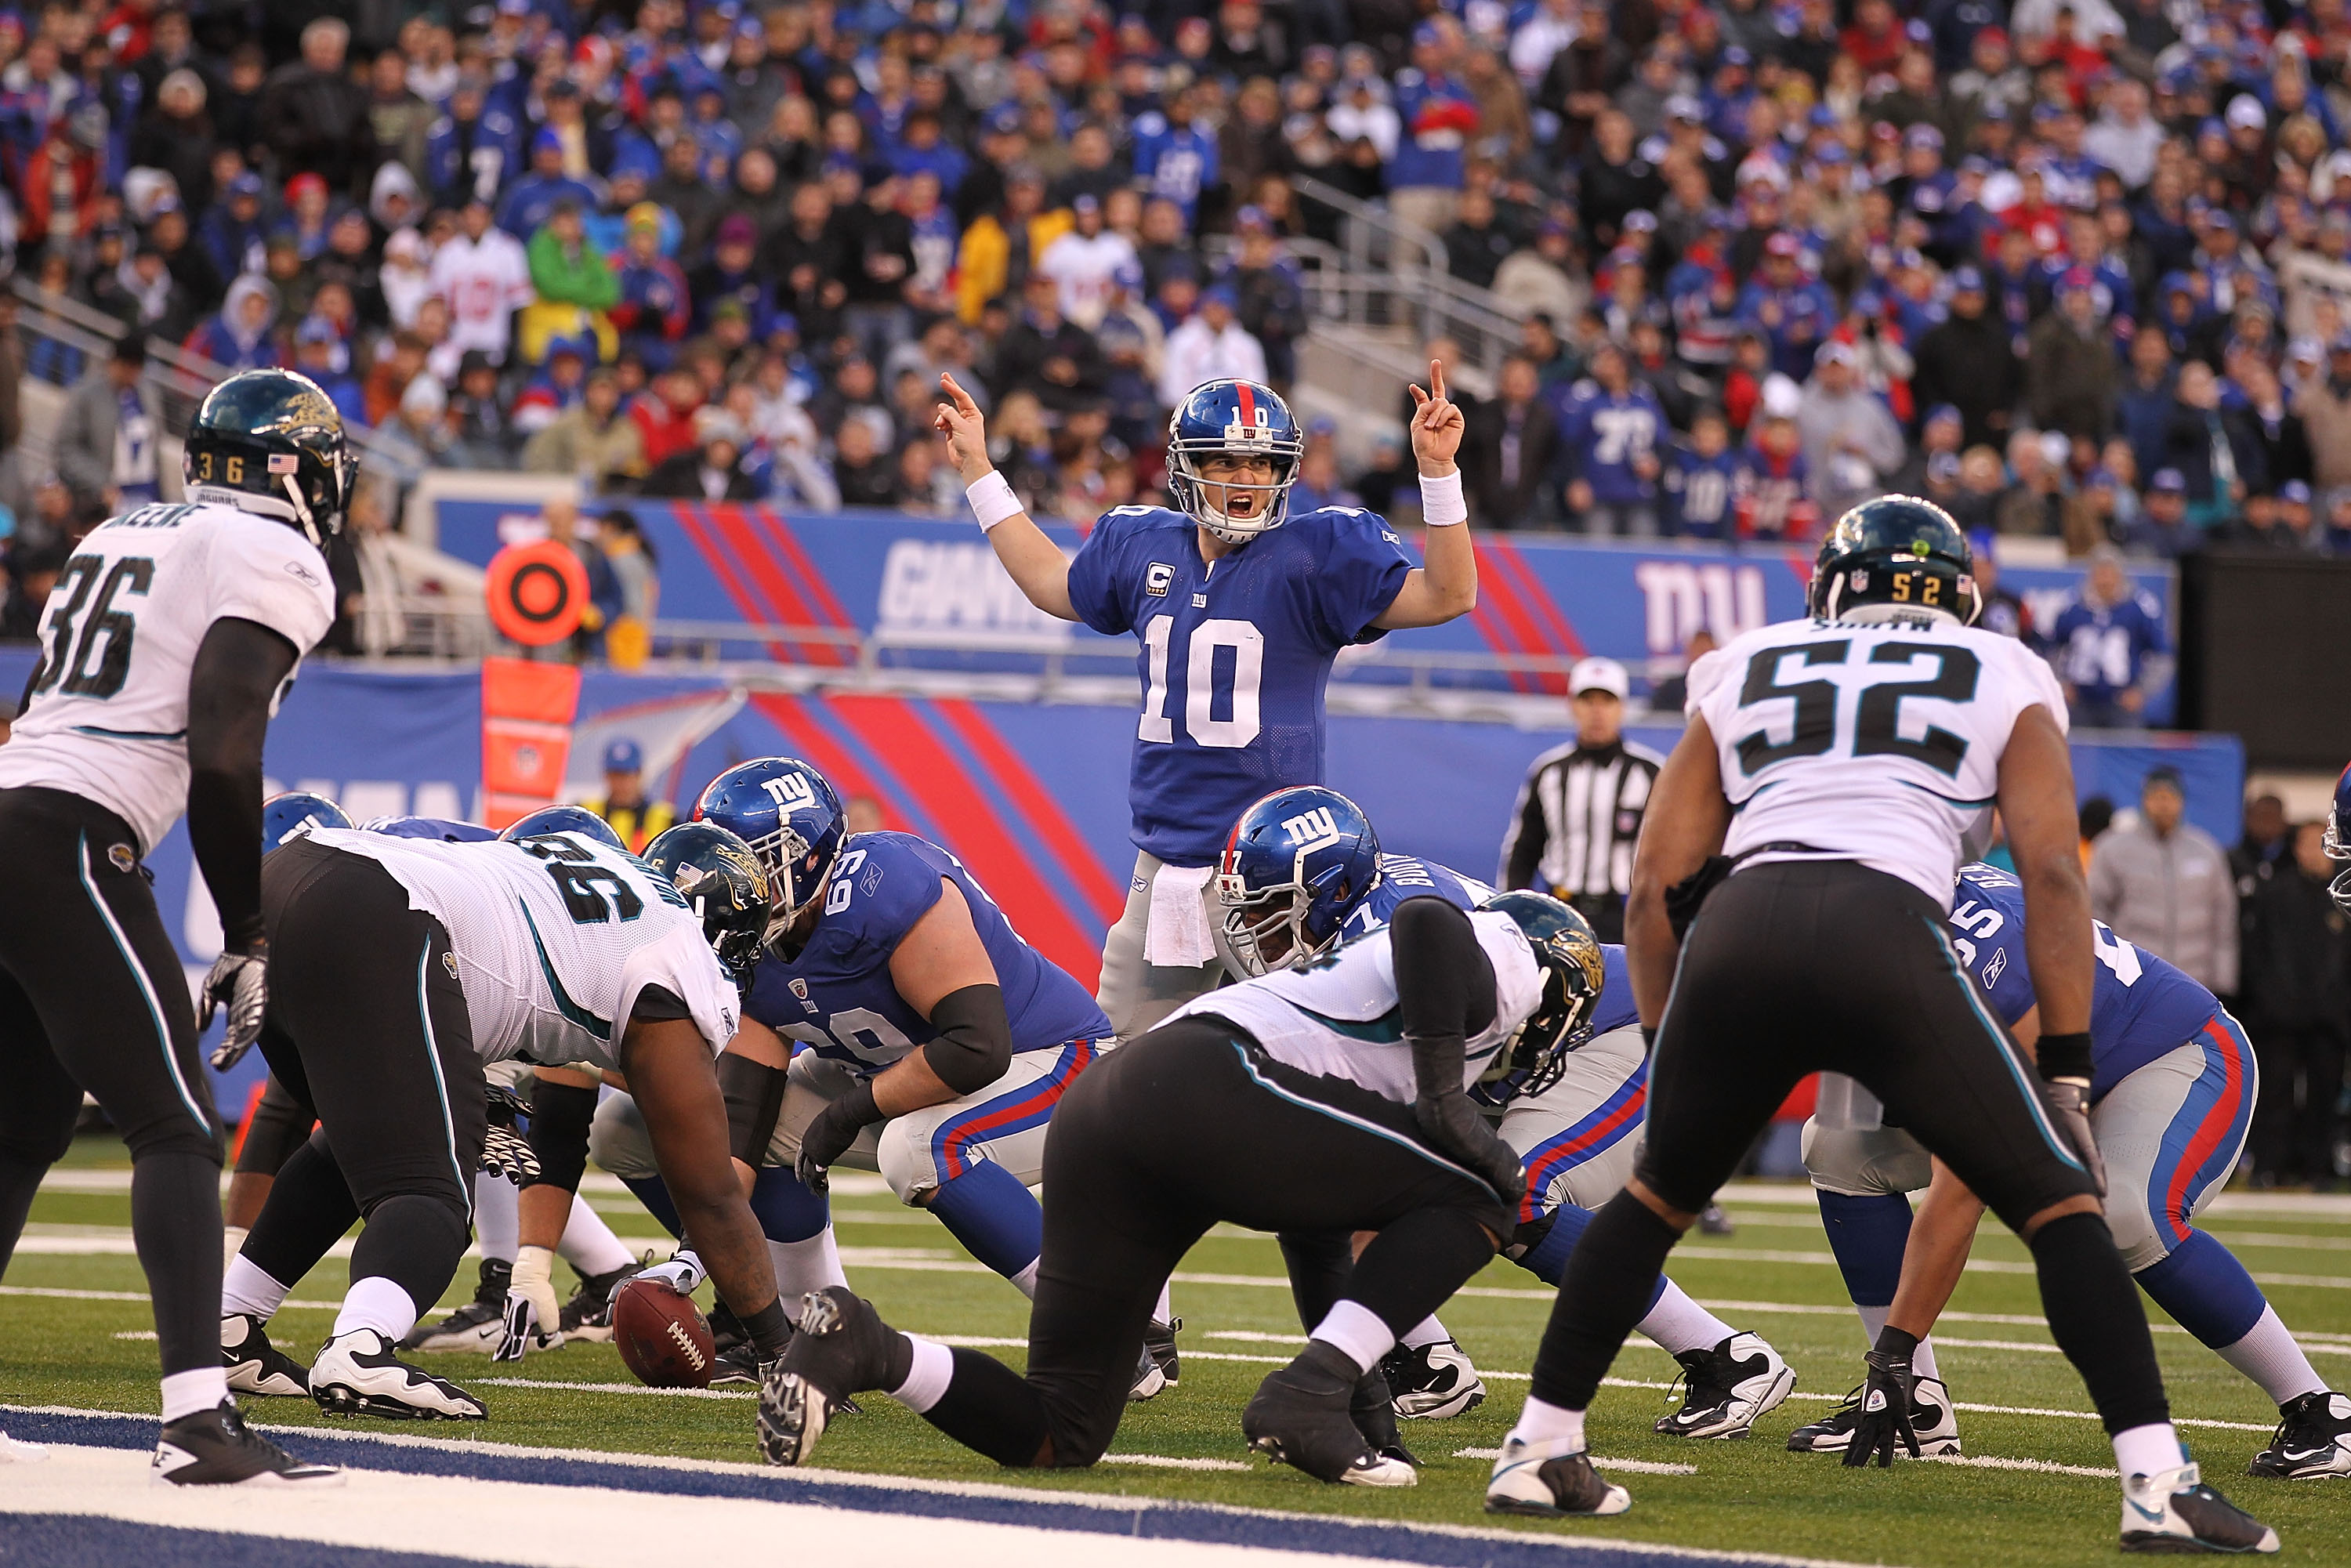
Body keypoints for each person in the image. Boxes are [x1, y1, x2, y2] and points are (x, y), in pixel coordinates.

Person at [1484, 496, 2277, 1554]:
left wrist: (1676, 1045)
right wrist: (2068, 1068)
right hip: (1888, 930)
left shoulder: (1751, 661)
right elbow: (2051, 870)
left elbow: (1655, 880)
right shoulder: (2002, 667)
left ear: (1828, 587)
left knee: (1653, 1198)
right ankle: (2155, 1484)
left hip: (1747, 929)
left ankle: (1540, 1447)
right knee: (2059, 1203)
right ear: (1958, 595)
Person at [756, 887, 1608, 1490]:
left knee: (1061, 1430)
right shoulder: (1508, 958)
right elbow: (1427, 921)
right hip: (1208, 1077)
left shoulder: (1365, 1044)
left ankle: (870, 1349)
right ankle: (1308, 1395)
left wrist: (1365, 1416)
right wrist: (1448, 1104)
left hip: (1115, 1107)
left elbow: (1318, 1237)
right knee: (1489, 1187)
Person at [0, 368, 347, 1485]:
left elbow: (38, 706)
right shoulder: (275, 554)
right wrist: (247, 931)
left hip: (16, 807)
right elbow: (225, 747)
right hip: (68, 836)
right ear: (289, 470)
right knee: (179, 1126)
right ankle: (198, 1419)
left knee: (20, 1128)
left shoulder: (122, 531)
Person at [1218, 786, 1791, 1436]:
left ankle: (1727, 1356)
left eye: (1270, 908)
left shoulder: (1390, 934)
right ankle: (1424, 1363)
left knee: (1512, 1192)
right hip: (1525, 1058)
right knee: (1347, 1180)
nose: (1256, 929)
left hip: (1630, 1033)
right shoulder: (1366, 913)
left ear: (1335, 891)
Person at [940, 368, 1478, 1039]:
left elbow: (1449, 594)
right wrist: (979, 469)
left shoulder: (1315, 553)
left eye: (1262, 463)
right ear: (1185, 467)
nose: (1246, 478)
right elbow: (1051, 581)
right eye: (1225, 460)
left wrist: (1438, 472)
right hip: (1168, 866)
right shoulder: (1141, 544)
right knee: (1126, 1062)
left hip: (1285, 872)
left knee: (1308, 1056)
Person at [1795, 861, 2351, 1479]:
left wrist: (1891, 1350)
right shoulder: (1872, 937)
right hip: (2064, 1081)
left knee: (2128, 1213)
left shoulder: (1989, 968)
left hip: (2171, 1054)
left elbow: (1965, 1187)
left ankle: (2319, 1408)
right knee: (1839, 1143)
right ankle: (1918, 1403)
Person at [216, 820, 788, 1421]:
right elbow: (710, 1192)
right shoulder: (678, 958)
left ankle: (229, 1323)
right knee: (431, 1188)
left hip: (285, 879)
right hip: (378, 911)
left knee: (358, 1141)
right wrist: (779, 1346)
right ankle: (360, 1345)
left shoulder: (602, 882)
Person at [578, 760, 1129, 1378]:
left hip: (1055, 1062)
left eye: (756, 862)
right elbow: (741, 1118)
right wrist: (696, 1255)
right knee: (650, 1125)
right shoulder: (753, 939)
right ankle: (811, 1331)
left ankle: (1110, 1326)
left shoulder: (885, 886)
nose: (740, 885)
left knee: (917, 1149)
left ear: (808, 855)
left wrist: (846, 1114)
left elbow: (978, 1045)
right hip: (901, 1075)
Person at [1497, 658, 1663, 943]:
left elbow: (1669, 850)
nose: (1597, 711)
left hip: (1625, 912)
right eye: (1588, 700)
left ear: (1622, 707)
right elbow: (1524, 849)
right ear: (1572, 705)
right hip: (1560, 910)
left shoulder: (1650, 772)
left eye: (1607, 701)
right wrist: (1509, 912)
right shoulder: (1549, 771)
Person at [2236, 820, 2351, 1187]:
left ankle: (2318, 1167)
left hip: (2330, 1019)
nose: (2315, 853)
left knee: (2324, 1094)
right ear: (2296, 848)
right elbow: (2257, 953)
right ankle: (2270, 1167)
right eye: (2307, 844)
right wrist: (2272, 1001)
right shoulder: (2275, 893)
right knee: (2276, 1093)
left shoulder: (2344, 897)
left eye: (2322, 845)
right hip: (2280, 1017)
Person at [2088, 766, 2238, 998]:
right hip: (2134, 982)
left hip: (2194, 982)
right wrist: (2101, 974)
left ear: (2182, 802)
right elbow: (2095, 911)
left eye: (2170, 797)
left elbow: (2223, 920)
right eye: (2157, 796)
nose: (2163, 805)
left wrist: (2224, 981)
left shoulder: (2206, 851)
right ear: (2144, 800)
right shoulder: (2113, 849)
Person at [2046, 545, 2169, 727]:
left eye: (2110, 573)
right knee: (2075, 744)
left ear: (2120, 575)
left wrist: (2141, 691)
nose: (2105, 580)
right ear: (2091, 575)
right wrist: (2061, 684)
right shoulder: (2071, 606)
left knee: (2126, 745)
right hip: (2079, 703)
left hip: (2123, 704)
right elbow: (2051, 649)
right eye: (2100, 573)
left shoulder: (2139, 608)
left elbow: (2162, 655)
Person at [53, 337, 163, 513]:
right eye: (126, 367)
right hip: (101, 498)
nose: (131, 374)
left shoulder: (147, 395)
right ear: (114, 363)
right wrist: (101, 484)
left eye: (136, 369)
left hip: (145, 494)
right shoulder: (87, 395)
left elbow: (154, 454)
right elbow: (66, 448)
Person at [582, 737, 674, 853]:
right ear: (606, 775)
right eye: (615, 775)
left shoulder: (665, 818)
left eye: (626, 775)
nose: (620, 783)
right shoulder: (587, 813)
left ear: (639, 774)